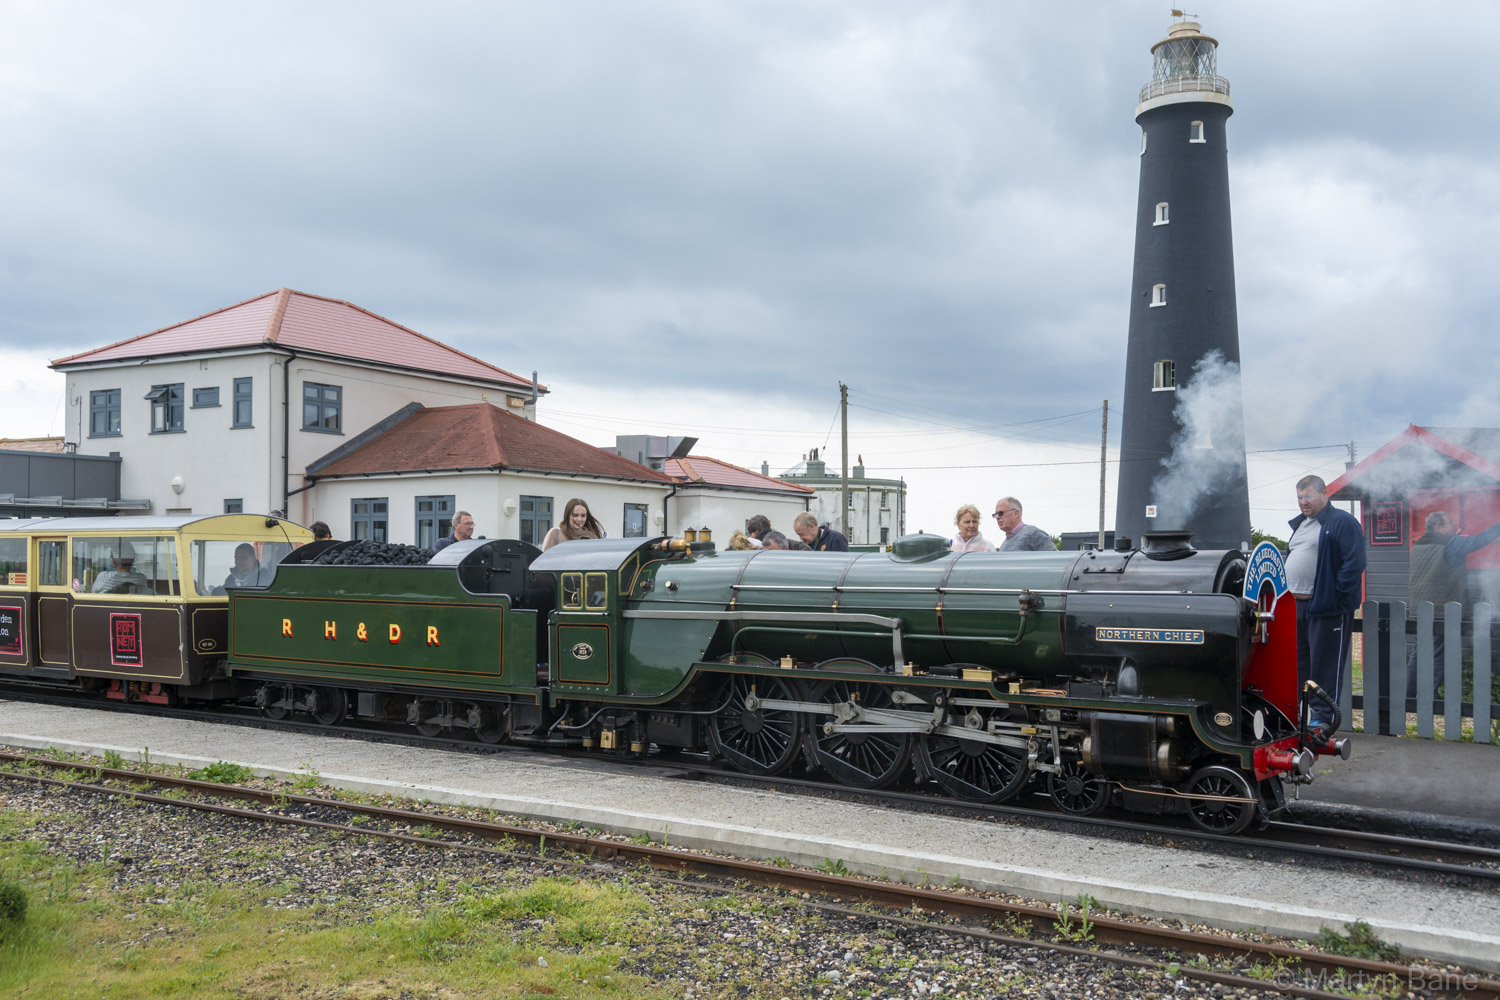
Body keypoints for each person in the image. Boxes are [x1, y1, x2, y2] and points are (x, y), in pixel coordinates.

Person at [1285, 475, 1366, 734]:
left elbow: (1355, 561)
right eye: (1299, 497)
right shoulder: (1301, 524)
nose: (1303, 502)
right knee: (1296, 664)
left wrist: (1336, 597)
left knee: (1325, 666)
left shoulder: (1342, 521)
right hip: (1296, 607)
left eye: (1308, 496)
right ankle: (1290, 715)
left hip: (1327, 608)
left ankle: (1321, 720)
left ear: (1324, 494)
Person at [1405, 510, 1500, 698]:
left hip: (1420, 609)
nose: (1455, 526)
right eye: (1449, 523)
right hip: (1441, 610)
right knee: (1439, 654)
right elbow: (1481, 539)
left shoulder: (1419, 544)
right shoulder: (1451, 544)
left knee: (1419, 652)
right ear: (1438, 527)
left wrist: (1452, 538)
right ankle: (1429, 697)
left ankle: (1410, 694)